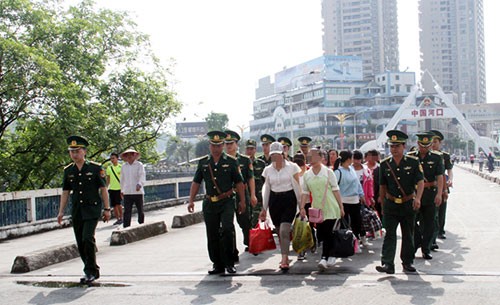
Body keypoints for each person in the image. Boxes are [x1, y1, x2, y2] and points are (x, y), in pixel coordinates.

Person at [188, 131, 246, 275]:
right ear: (210, 146)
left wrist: (243, 201)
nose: (216, 148)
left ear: (222, 146)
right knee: (212, 233)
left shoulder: (231, 161)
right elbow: (196, 182)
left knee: (227, 228)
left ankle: (229, 262)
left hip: (226, 201)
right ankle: (217, 263)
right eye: (214, 145)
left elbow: (239, 183)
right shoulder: (204, 163)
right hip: (209, 202)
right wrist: (191, 200)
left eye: (219, 145)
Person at [57, 136, 111, 284]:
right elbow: (65, 192)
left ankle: (91, 271)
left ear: (84, 152)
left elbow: (103, 189)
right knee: (80, 242)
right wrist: (61, 212)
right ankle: (89, 268)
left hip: (92, 208)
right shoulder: (68, 171)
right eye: (72, 151)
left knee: (88, 238)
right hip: (77, 210)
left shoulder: (95, 168)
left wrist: (107, 209)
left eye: (77, 151)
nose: (74, 154)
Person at [376, 130, 424, 274]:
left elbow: (420, 182)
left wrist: (418, 198)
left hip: (408, 203)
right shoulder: (385, 164)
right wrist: (383, 206)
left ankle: (407, 262)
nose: (394, 149)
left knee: (408, 234)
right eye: (392, 146)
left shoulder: (413, 162)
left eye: (397, 146)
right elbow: (382, 186)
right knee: (389, 234)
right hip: (391, 204)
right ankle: (388, 263)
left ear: (404, 146)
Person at [300, 148, 344, 271]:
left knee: (329, 232)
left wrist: (341, 206)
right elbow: (304, 192)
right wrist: (302, 207)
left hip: (330, 207)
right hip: (317, 209)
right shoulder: (307, 175)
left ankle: (324, 257)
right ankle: (331, 254)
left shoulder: (329, 173)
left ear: (320, 158)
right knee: (321, 234)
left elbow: (336, 190)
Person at [259, 142, 302, 271]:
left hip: (289, 199)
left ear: (282, 154)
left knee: (284, 229)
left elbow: (297, 187)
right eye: (273, 155)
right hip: (274, 201)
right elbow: (266, 189)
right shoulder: (267, 170)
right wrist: (264, 208)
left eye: (277, 155)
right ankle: (285, 254)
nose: (275, 158)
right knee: (279, 230)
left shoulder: (292, 167)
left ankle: (284, 259)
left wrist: (302, 206)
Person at [407, 132, 444, 260]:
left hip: (430, 194)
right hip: (415, 194)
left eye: (427, 145)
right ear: (418, 144)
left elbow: (440, 177)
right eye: (422, 145)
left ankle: (426, 248)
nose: (425, 148)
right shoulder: (411, 157)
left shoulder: (436, 158)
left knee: (429, 223)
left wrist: (439, 194)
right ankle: (416, 242)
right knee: (411, 222)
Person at [223, 130, 257, 256]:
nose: (228, 146)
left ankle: (250, 242)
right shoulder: (222, 160)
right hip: (227, 197)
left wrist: (253, 194)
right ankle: (233, 251)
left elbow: (251, 178)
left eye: (231, 143)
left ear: (236, 144)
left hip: (242, 195)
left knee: (244, 221)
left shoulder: (245, 160)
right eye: (226, 144)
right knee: (228, 224)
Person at [333, 150, 366, 250]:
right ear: (348, 159)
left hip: (355, 200)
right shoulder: (338, 172)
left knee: (357, 222)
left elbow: (357, 183)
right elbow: (334, 188)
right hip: (343, 201)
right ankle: (347, 244)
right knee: (345, 223)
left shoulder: (351, 169)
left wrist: (361, 194)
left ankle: (356, 242)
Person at [430, 130, 453, 243]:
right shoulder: (425, 155)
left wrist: (450, 180)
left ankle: (440, 230)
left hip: (442, 184)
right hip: (428, 186)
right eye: (431, 142)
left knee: (441, 209)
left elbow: (449, 170)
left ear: (440, 143)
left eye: (435, 142)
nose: (433, 144)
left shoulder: (445, 156)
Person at [120, 148, 146, 228]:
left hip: (137, 191)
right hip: (127, 191)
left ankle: (141, 225)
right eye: (128, 155)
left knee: (140, 210)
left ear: (134, 156)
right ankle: (126, 226)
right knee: (127, 210)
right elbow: (122, 179)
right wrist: (122, 190)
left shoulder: (139, 165)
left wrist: (139, 184)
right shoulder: (124, 167)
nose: (129, 156)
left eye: (131, 154)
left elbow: (142, 175)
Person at [245, 139, 267, 228]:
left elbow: (265, 181)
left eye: (252, 149)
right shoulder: (241, 163)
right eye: (248, 149)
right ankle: (249, 240)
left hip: (258, 197)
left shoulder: (261, 164)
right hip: (246, 197)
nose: (249, 151)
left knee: (255, 221)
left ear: (255, 150)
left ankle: (254, 240)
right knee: (246, 222)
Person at [106, 152, 123, 225]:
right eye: (111, 159)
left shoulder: (121, 167)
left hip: (119, 188)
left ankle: (122, 218)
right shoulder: (109, 168)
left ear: (117, 158)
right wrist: (106, 187)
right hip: (112, 189)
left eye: (113, 158)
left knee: (119, 204)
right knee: (114, 205)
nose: (112, 160)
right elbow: (108, 178)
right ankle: (117, 218)